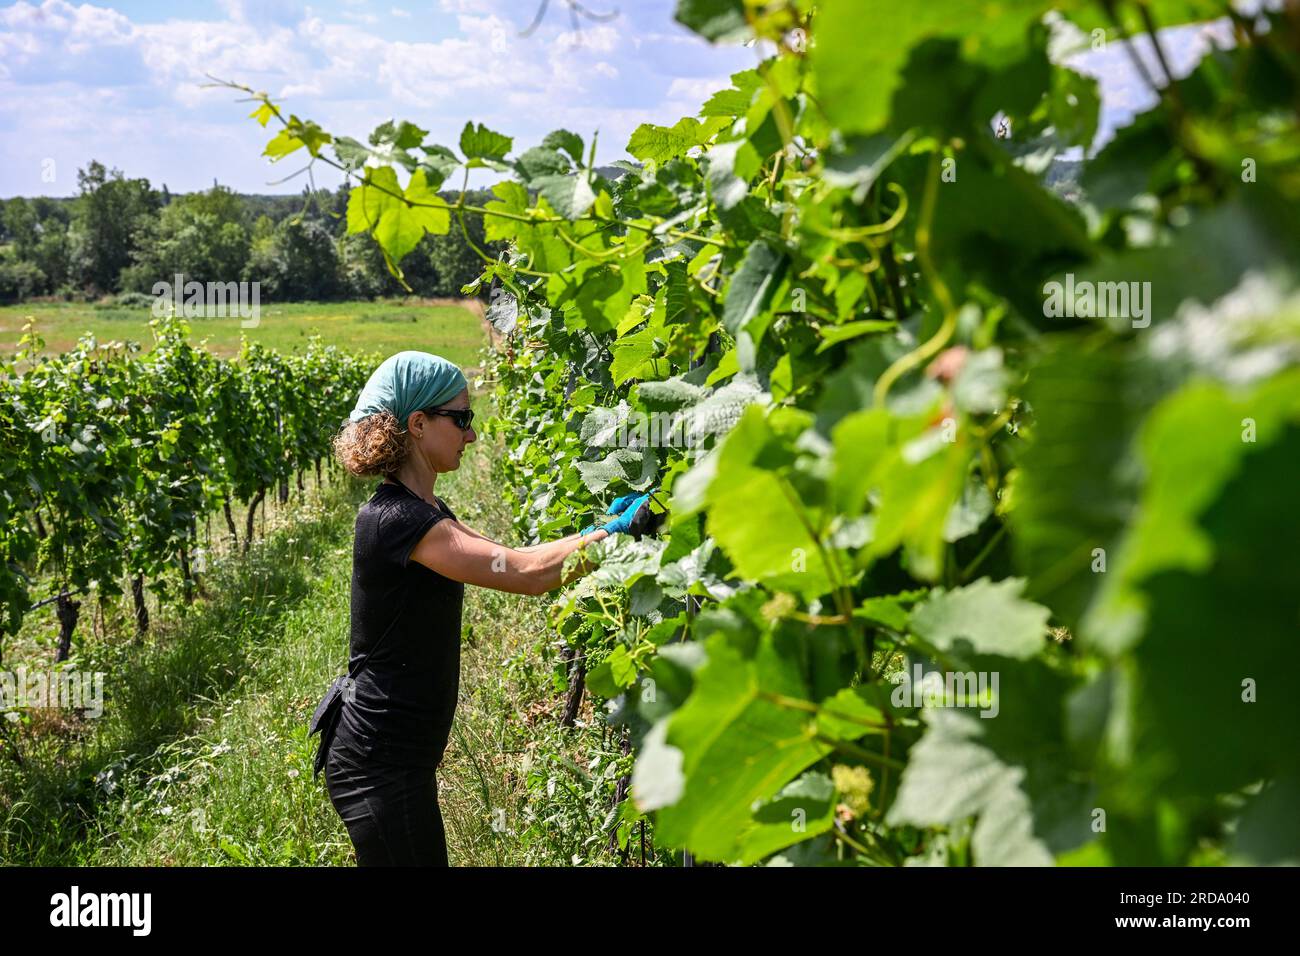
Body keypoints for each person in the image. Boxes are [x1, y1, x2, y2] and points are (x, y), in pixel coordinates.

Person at [324, 350, 649, 866]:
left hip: (396, 756)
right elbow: (527, 576)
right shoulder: (395, 521)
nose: (471, 435)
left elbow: (515, 558)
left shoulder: (426, 510)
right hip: (378, 761)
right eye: (462, 419)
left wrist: (593, 533)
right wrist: (613, 537)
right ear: (418, 422)